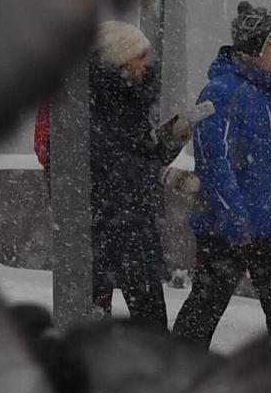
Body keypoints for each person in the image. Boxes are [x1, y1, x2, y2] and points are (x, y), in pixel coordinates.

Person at [172, 1, 271, 355]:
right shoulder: (221, 92)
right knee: (204, 310)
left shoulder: (267, 91)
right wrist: (236, 222)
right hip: (229, 228)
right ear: (253, 46)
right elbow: (214, 164)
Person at [34, 23, 198, 321]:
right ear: (120, 60)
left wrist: (172, 137)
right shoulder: (83, 104)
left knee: (150, 317)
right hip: (99, 226)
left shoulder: (130, 99)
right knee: (96, 319)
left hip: (132, 223)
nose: (146, 64)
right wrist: (161, 175)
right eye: (139, 56)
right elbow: (110, 161)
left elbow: (140, 151)